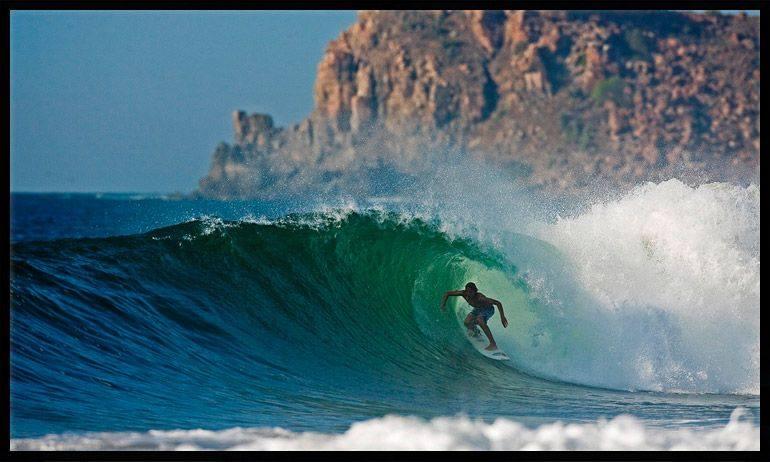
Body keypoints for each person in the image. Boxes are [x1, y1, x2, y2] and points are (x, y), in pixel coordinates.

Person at [440, 282, 508, 350]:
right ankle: (476, 333)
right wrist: (443, 305)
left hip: (488, 309)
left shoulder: (480, 298)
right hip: (478, 309)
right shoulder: (463, 294)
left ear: (475, 291)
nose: (468, 293)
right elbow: (447, 293)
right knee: (466, 322)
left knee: (480, 320)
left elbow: (498, 303)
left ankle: (493, 344)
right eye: (467, 291)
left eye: (470, 292)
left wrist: (502, 317)